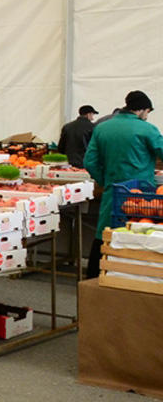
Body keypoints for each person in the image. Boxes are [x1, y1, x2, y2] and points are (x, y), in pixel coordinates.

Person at [84, 91, 163, 278]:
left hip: (113, 191)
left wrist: (105, 181)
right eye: (148, 111)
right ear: (142, 109)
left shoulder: (103, 128)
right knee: (138, 236)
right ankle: (131, 278)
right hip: (141, 197)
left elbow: (90, 162)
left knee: (104, 235)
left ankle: (95, 278)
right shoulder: (147, 129)